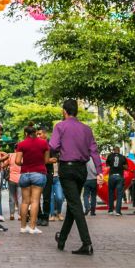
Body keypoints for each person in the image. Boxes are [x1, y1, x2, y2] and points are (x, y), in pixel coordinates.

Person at [49, 99, 101, 255]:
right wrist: (99, 170)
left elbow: (53, 146)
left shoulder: (60, 126)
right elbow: (94, 151)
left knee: (75, 205)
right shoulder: (86, 129)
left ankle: (87, 243)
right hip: (81, 170)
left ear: (64, 111)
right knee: (74, 203)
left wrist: (61, 149)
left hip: (67, 168)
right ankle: (62, 238)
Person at [15, 124, 49, 234]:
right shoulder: (44, 143)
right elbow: (46, 160)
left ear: (26, 133)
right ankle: (33, 227)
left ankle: (23, 227)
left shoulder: (21, 144)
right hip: (39, 173)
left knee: (25, 202)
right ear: (35, 132)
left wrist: (25, 163)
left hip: (25, 174)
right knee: (35, 201)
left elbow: (17, 161)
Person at [104, 146, 128, 216]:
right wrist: (122, 166)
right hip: (119, 176)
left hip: (111, 176)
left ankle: (110, 210)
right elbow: (126, 167)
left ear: (113, 150)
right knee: (119, 194)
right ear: (119, 150)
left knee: (111, 193)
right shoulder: (123, 157)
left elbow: (107, 165)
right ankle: (118, 211)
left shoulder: (110, 156)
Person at [7, 151, 21, 221]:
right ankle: (20, 215)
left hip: (11, 178)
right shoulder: (22, 156)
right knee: (20, 197)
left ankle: (11, 214)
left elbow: (5, 164)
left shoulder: (11, 155)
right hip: (20, 178)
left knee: (11, 196)